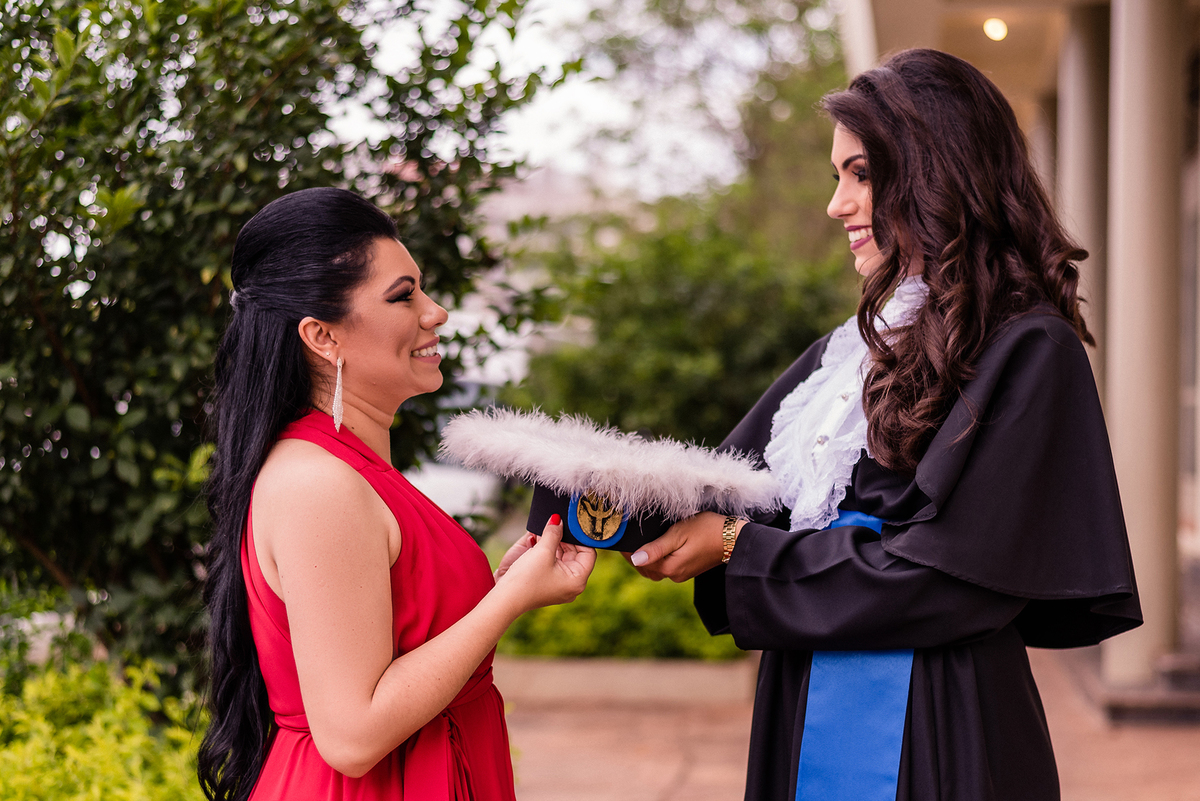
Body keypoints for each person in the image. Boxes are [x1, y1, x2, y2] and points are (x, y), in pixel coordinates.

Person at [628, 49, 1141, 801]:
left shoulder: (1029, 349)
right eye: (839, 176)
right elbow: (718, 484)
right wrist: (582, 507)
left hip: (935, 723)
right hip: (804, 695)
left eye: (861, 174)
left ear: (939, 171)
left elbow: (949, 583)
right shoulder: (848, 353)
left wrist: (739, 547)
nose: (837, 204)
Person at [197, 187, 595, 801]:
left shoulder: (346, 465)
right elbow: (352, 737)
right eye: (403, 296)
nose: (434, 312)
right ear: (322, 337)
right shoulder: (316, 482)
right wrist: (506, 602)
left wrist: (498, 587)